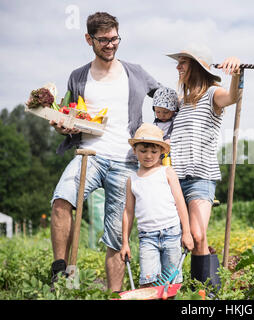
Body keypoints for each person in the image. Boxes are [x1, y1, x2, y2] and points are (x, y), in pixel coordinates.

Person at [49, 12, 161, 292]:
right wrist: (62, 127)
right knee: (61, 199)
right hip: (88, 155)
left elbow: (164, 99)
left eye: (115, 39)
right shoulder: (78, 77)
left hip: (125, 161)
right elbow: (70, 115)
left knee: (115, 234)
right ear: (89, 39)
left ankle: (115, 295)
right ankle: (60, 269)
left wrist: (158, 133)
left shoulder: (135, 72)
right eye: (103, 40)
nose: (110, 45)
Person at [166, 45, 241, 286]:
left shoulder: (213, 94)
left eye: (183, 62)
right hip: (174, 179)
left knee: (198, 236)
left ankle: (205, 291)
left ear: (197, 67)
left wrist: (237, 74)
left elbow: (233, 97)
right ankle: (180, 287)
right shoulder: (180, 102)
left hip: (200, 179)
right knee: (176, 237)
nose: (177, 67)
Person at [119, 123, 194, 287]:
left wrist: (186, 232)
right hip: (147, 238)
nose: (148, 155)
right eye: (143, 151)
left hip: (172, 233)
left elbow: (180, 203)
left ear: (161, 152)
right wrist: (125, 242)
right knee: (148, 282)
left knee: (172, 283)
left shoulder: (167, 172)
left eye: (154, 151)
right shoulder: (132, 180)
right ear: (135, 151)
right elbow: (128, 212)